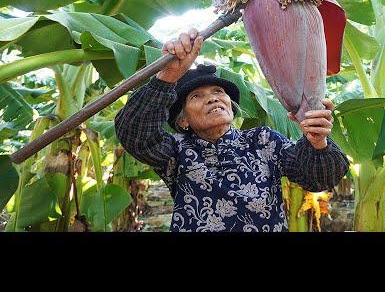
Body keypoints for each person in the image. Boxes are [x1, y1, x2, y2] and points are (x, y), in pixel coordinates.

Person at [115, 28, 350, 232]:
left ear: (230, 105)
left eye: (218, 92)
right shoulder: (176, 151)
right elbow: (135, 134)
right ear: (183, 120)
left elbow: (318, 179)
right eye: (197, 96)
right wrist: (167, 77)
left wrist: (318, 143)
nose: (212, 99)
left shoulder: (262, 140)